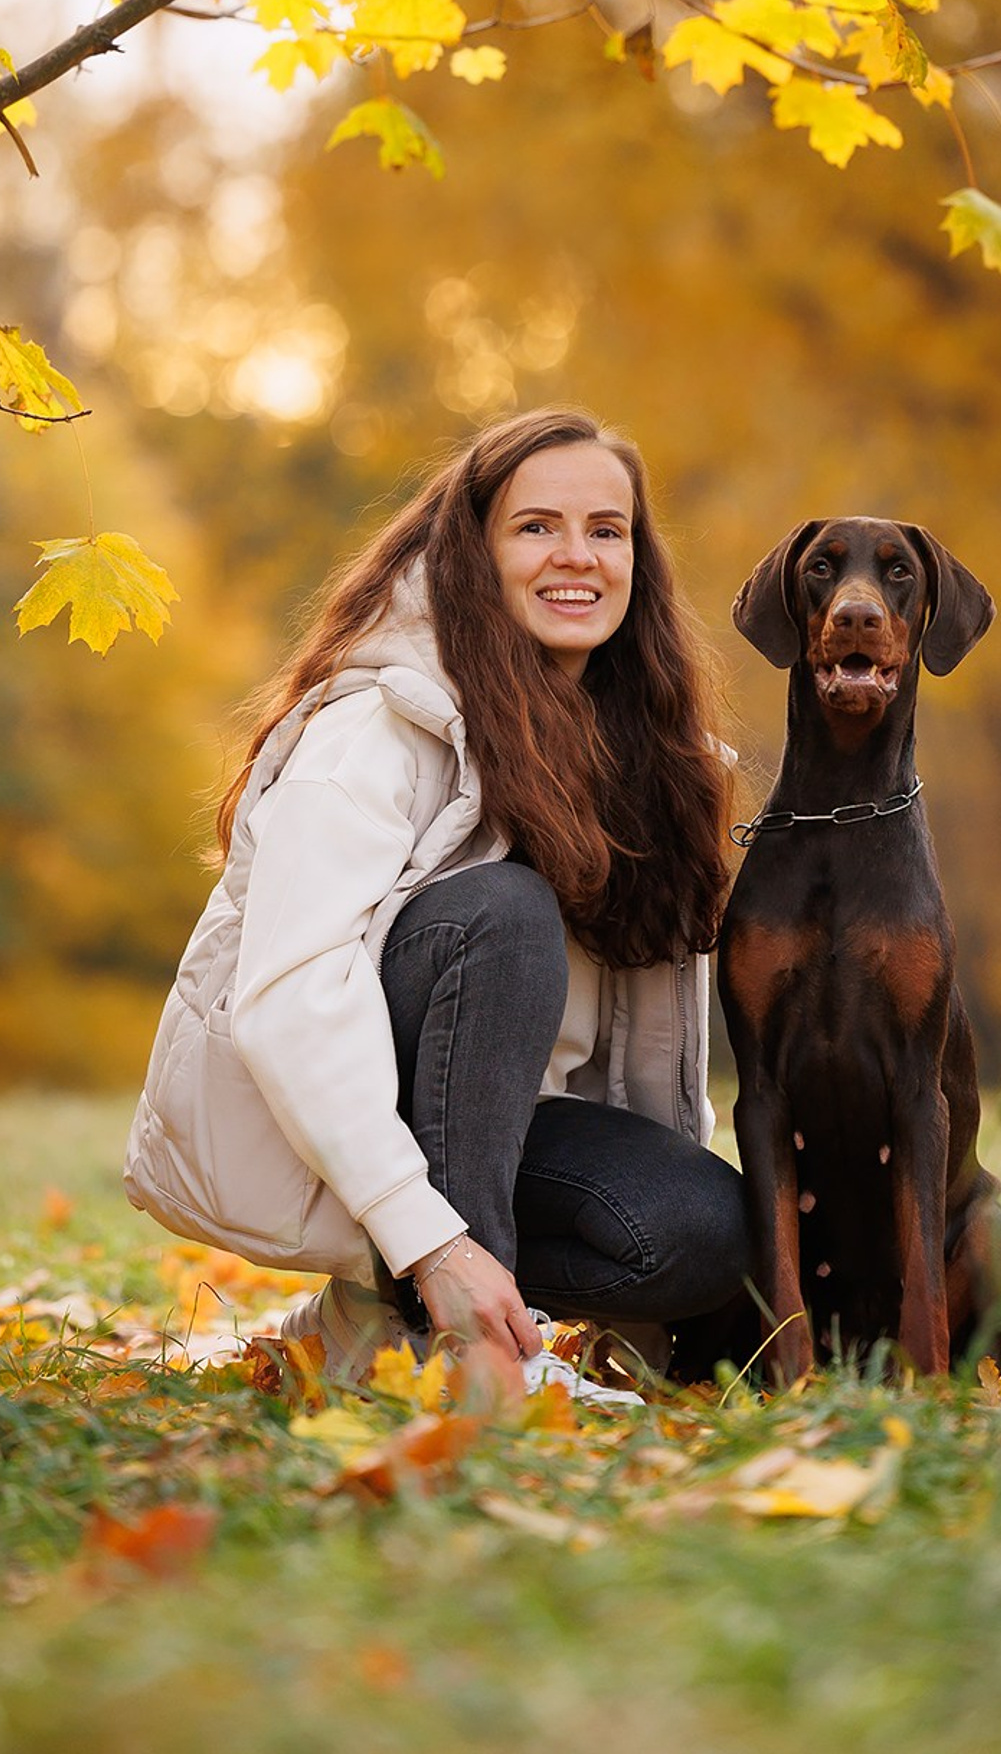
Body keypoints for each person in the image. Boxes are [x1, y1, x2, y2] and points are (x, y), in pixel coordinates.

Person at [124, 406, 753, 1378]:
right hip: (341, 1112)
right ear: (474, 552)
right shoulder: (383, 722)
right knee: (501, 914)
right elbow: (287, 998)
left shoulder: (654, 762)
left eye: (607, 530)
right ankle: (457, 1351)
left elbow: (650, 1050)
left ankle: (357, 1327)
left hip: (516, 1126)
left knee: (704, 1229)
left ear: (639, 561)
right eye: (536, 526)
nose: (575, 556)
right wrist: (434, 1243)